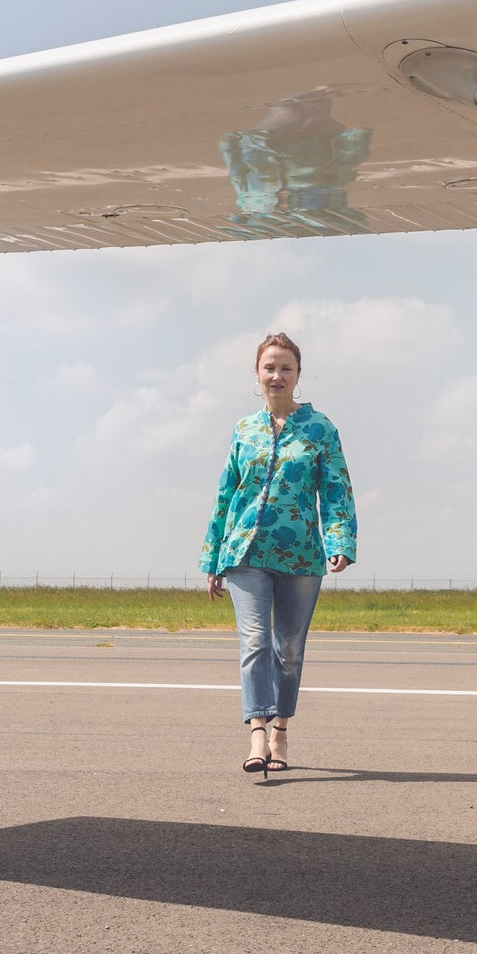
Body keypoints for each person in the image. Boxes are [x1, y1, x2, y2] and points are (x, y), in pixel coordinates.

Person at [200, 332, 356, 776]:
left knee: (288, 648)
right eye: (269, 367)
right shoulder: (243, 429)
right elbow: (226, 492)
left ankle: (280, 731)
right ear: (257, 374)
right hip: (244, 552)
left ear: (298, 375)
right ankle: (255, 730)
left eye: (286, 367)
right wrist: (212, 558)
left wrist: (341, 541)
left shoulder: (320, 428)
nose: (277, 375)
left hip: (301, 554)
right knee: (254, 642)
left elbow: (337, 489)